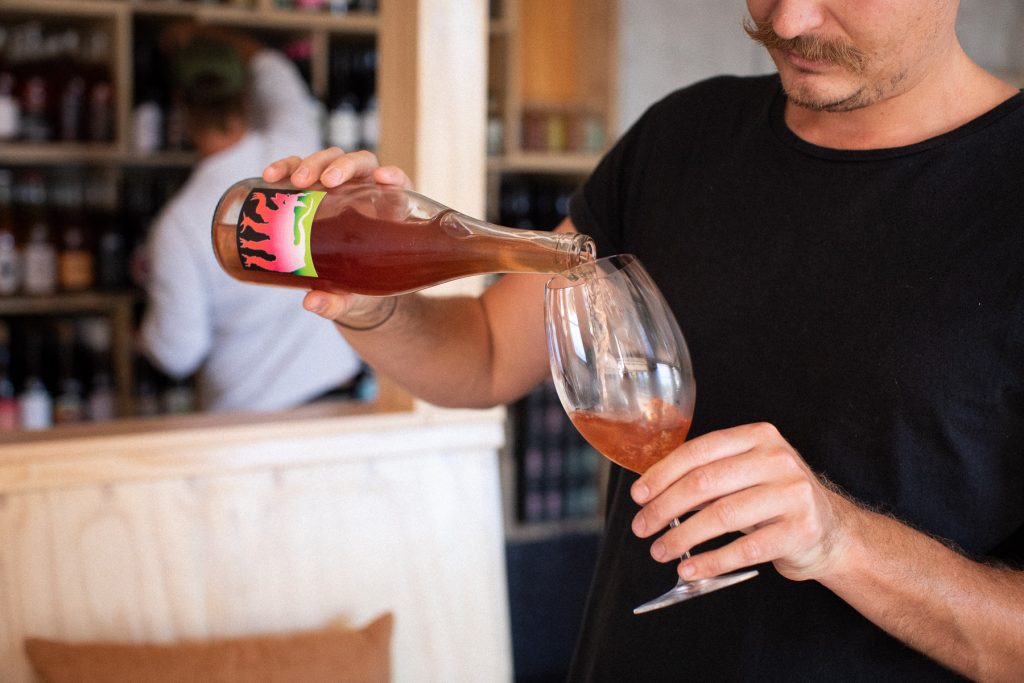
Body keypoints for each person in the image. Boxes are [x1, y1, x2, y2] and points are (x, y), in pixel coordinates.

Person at [264, 0, 1024, 678]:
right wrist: (369, 304)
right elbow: (486, 353)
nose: (788, 21)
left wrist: (840, 541)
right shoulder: (684, 136)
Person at [139, 26, 362, 412]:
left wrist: (139, 336)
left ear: (180, 106)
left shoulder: (178, 225)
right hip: (340, 399)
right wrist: (201, 32)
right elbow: (269, 62)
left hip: (249, 422)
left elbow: (178, 354)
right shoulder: (296, 146)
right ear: (245, 94)